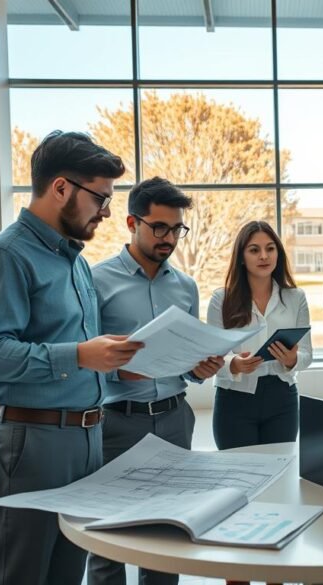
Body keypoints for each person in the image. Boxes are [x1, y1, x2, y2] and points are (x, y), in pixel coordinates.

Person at [0, 131, 143, 585]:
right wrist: (81, 355)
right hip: (30, 441)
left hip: (85, 438)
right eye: (101, 198)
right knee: (20, 574)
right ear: (61, 187)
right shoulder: (5, 257)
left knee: (68, 572)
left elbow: (71, 344)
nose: (106, 211)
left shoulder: (75, 260)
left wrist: (113, 359)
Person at [87, 177, 225, 585]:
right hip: (116, 422)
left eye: (176, 228)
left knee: (166, 539)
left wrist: (198, 368)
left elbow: (184, 355)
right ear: (132, 222)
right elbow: (83, 353)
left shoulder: (185, 286)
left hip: (173, 420)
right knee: (109, 536)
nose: (169, 238)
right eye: (159, 227)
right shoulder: (96, 281)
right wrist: (117, 368)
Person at [208, 220, 312, 450]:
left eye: (270, 248)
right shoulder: (221, 300)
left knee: (278, 472)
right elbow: (211, 358)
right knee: (238, 476)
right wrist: (233, 364)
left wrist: (292, 360)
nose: (264, 256)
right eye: (254, 250)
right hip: (234, 399)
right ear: (242, 257)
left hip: (282, 397)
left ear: (278, 253)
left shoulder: (296, 297)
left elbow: (306, 355)